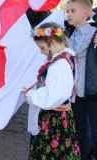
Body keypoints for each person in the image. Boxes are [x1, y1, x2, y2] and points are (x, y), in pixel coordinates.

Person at [24, 22, 80, 160]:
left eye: (42, 47)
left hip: (54, 119)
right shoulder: (66, 56)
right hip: (60, 115)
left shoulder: (59, 65)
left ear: (53, 42)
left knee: (50, 153)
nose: (41, 51)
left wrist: (31, 95)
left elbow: (52, 96)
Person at [65, 0, 97, 159]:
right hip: (76, 93)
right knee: (80, 130)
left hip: (92, 92)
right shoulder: (71, 33)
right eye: (67, 11)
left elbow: (74, 51)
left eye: (72, 11)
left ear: (86, 13)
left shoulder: (93, 33)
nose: (68, 14)